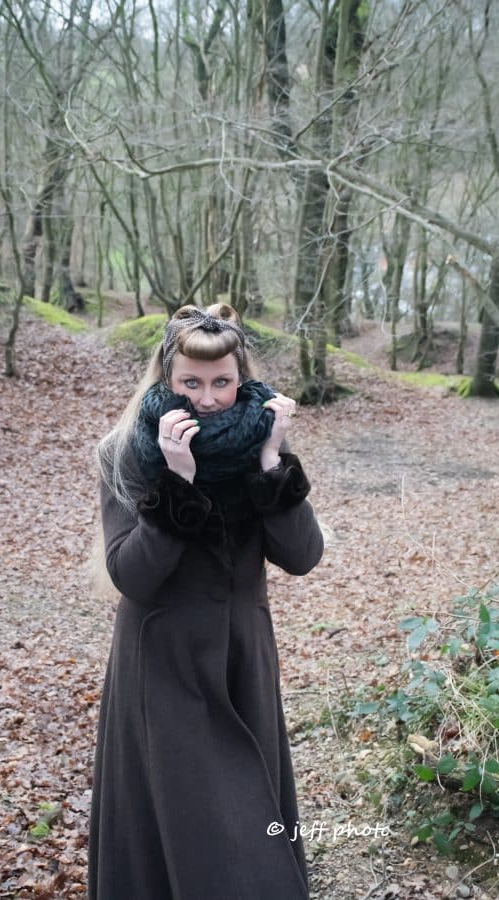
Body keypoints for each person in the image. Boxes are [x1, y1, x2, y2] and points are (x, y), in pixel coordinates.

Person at [88, 303, 325, 900]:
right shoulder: (127, 450)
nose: (208, 397)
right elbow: (131, 576)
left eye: (222, 382)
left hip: (243, 659)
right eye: (191, 383)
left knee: (253, 838)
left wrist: (273, 466)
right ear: (166, 378)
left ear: (241, 376)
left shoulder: (258, 442)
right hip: (162, 666)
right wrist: (177, 482)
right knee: (190, 832)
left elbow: (302, 556)